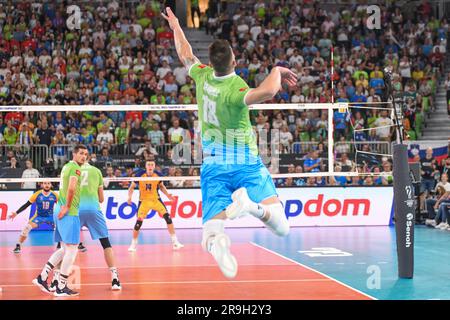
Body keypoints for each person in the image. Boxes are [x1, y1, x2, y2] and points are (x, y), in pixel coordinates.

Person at [162, 8, 294, 279]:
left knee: (210, 233)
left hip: (214, 163)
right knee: (282, 227)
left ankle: (219, 242)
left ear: (210, 64)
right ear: (233, 62)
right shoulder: (236, 90)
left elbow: (185, 53)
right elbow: (268, 91)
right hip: (246, 161)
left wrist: (176, 25)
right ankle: (252, 208)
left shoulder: (202, 76)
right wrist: (276, 69)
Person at [32, 144, 88, 297]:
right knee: (72, 248)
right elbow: (71, 188)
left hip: (61, 208)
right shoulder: (75, 168)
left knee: (64, 249)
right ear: (74, 154)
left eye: (86, 154)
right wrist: (68, 206)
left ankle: (42, 277)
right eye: (81, 153)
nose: (84, 156)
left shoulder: (66, 166)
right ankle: (61, 286)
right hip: (69, 211)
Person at [74, 159, 121, 290]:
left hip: (76, 210)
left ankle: (57, 280)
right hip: (94, 209)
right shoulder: (97, 171)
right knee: (106, 244)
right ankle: (115, 278)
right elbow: (101, 199)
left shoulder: (72, 170)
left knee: (64, 246)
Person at [127, 160, 183, 251]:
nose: (150, 166)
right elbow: (131, 187)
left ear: (154, 166)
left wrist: (168, 195)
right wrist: (129, 197)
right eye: (148, 164)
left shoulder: (158, 175)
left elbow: (161, 186)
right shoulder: (139, 175)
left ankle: (175, 242)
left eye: (152, 164)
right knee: (138, 223)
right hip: (144, 201)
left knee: (168, 218)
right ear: (145, 166)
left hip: (156, 200)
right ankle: (133, 244)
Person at [9, 181, 58, 253]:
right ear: (42, 185)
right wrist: (16, 213)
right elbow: (26, 205)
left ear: (51, 185)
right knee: (27, 227)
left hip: (50, 216)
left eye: (48, 183)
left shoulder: (55, 195)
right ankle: (18, 246)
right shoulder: (37, 194)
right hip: (39, 216)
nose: (47, 185)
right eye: (45, 183)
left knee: (60, 226)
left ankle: (60, 244)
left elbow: (61, 206)